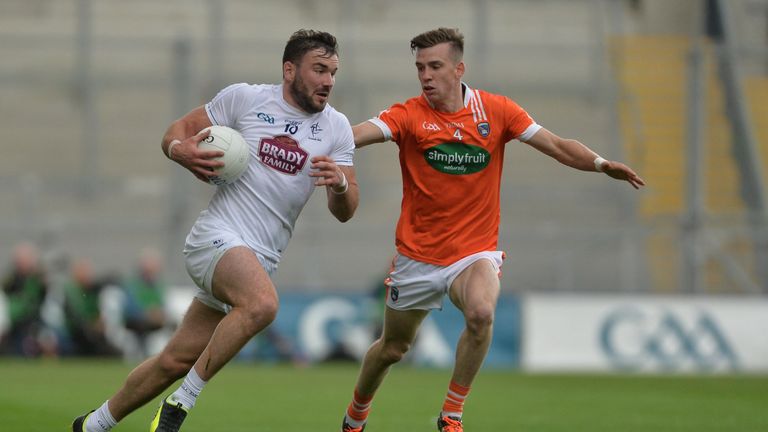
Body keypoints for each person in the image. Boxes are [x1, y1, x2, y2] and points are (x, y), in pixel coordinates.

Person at [339, 28, 645, 432]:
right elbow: (355, 134)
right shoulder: (409, 114)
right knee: (393, 348)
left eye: (435, 66)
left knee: (481, 312)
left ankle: (451, 415)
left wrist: (602, 164)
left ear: (459, 69)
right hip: (418, 257)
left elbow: (556, 145)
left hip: (473, 252)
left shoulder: (497, 111)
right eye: (420, 68)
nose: (426, 75)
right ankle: (355, 416)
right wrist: (318, 137)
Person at [72, 29, 359, 432]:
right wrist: (181, 151)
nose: (328, 80)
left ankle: (92, 425)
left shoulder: (337, 128)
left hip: (260, 259)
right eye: (319, 70)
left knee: (174, 360)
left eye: (333, 72)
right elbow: (176, 132)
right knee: (263, 305)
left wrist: (341, 185)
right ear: (289, 70)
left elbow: (346, 210)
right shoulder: (245, 99)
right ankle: (181, 403)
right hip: (216, 237)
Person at [61, 258, 121, 357]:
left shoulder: (91, 290)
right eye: (84, 272)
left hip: (91, 330)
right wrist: (92, 325)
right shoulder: (71, 291)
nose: (87, 276)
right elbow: (76, 317)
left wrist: (99, 321)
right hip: (75, 333)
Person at [0, 242, 49, 356]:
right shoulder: (11, 279)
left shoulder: (37, 279)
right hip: (15, 321)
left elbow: (41, 299)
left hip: (33, 320)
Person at [121, 248, 168, 358]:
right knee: (142, 325)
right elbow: (129, 307)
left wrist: (159, 313)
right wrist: (148, 313)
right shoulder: (133, 284)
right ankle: (142, 354)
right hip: (134, 320)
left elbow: (162, 304)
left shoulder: (158, 286)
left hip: (153, 321)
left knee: (174, 324)